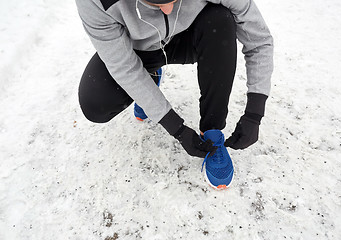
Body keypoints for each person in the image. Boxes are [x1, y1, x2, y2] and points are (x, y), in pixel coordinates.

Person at [75, 0, 273, 189]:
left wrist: (254, 113)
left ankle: (212, 132)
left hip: (192, 36)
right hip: (138, 50)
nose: (168, 9)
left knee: (221, 19)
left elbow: (259, 40)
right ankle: (148, 75)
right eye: (156, 3)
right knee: (95, 104)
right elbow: (124, 67)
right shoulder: (96, 2)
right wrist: (175, 127)